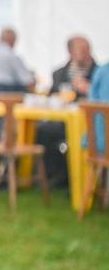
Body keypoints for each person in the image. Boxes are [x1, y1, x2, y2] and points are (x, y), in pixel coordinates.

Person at [39, 35, 98, 186]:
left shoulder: (98, 73)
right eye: (82, 50)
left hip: (88, 123)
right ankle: (53, 175)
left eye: (87, 50)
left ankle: (69, 178)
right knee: (41, 130)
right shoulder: (59, 73)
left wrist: (87, 89)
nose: (87, 53)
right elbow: (51, 96)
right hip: (62, 120)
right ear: (70, 52)